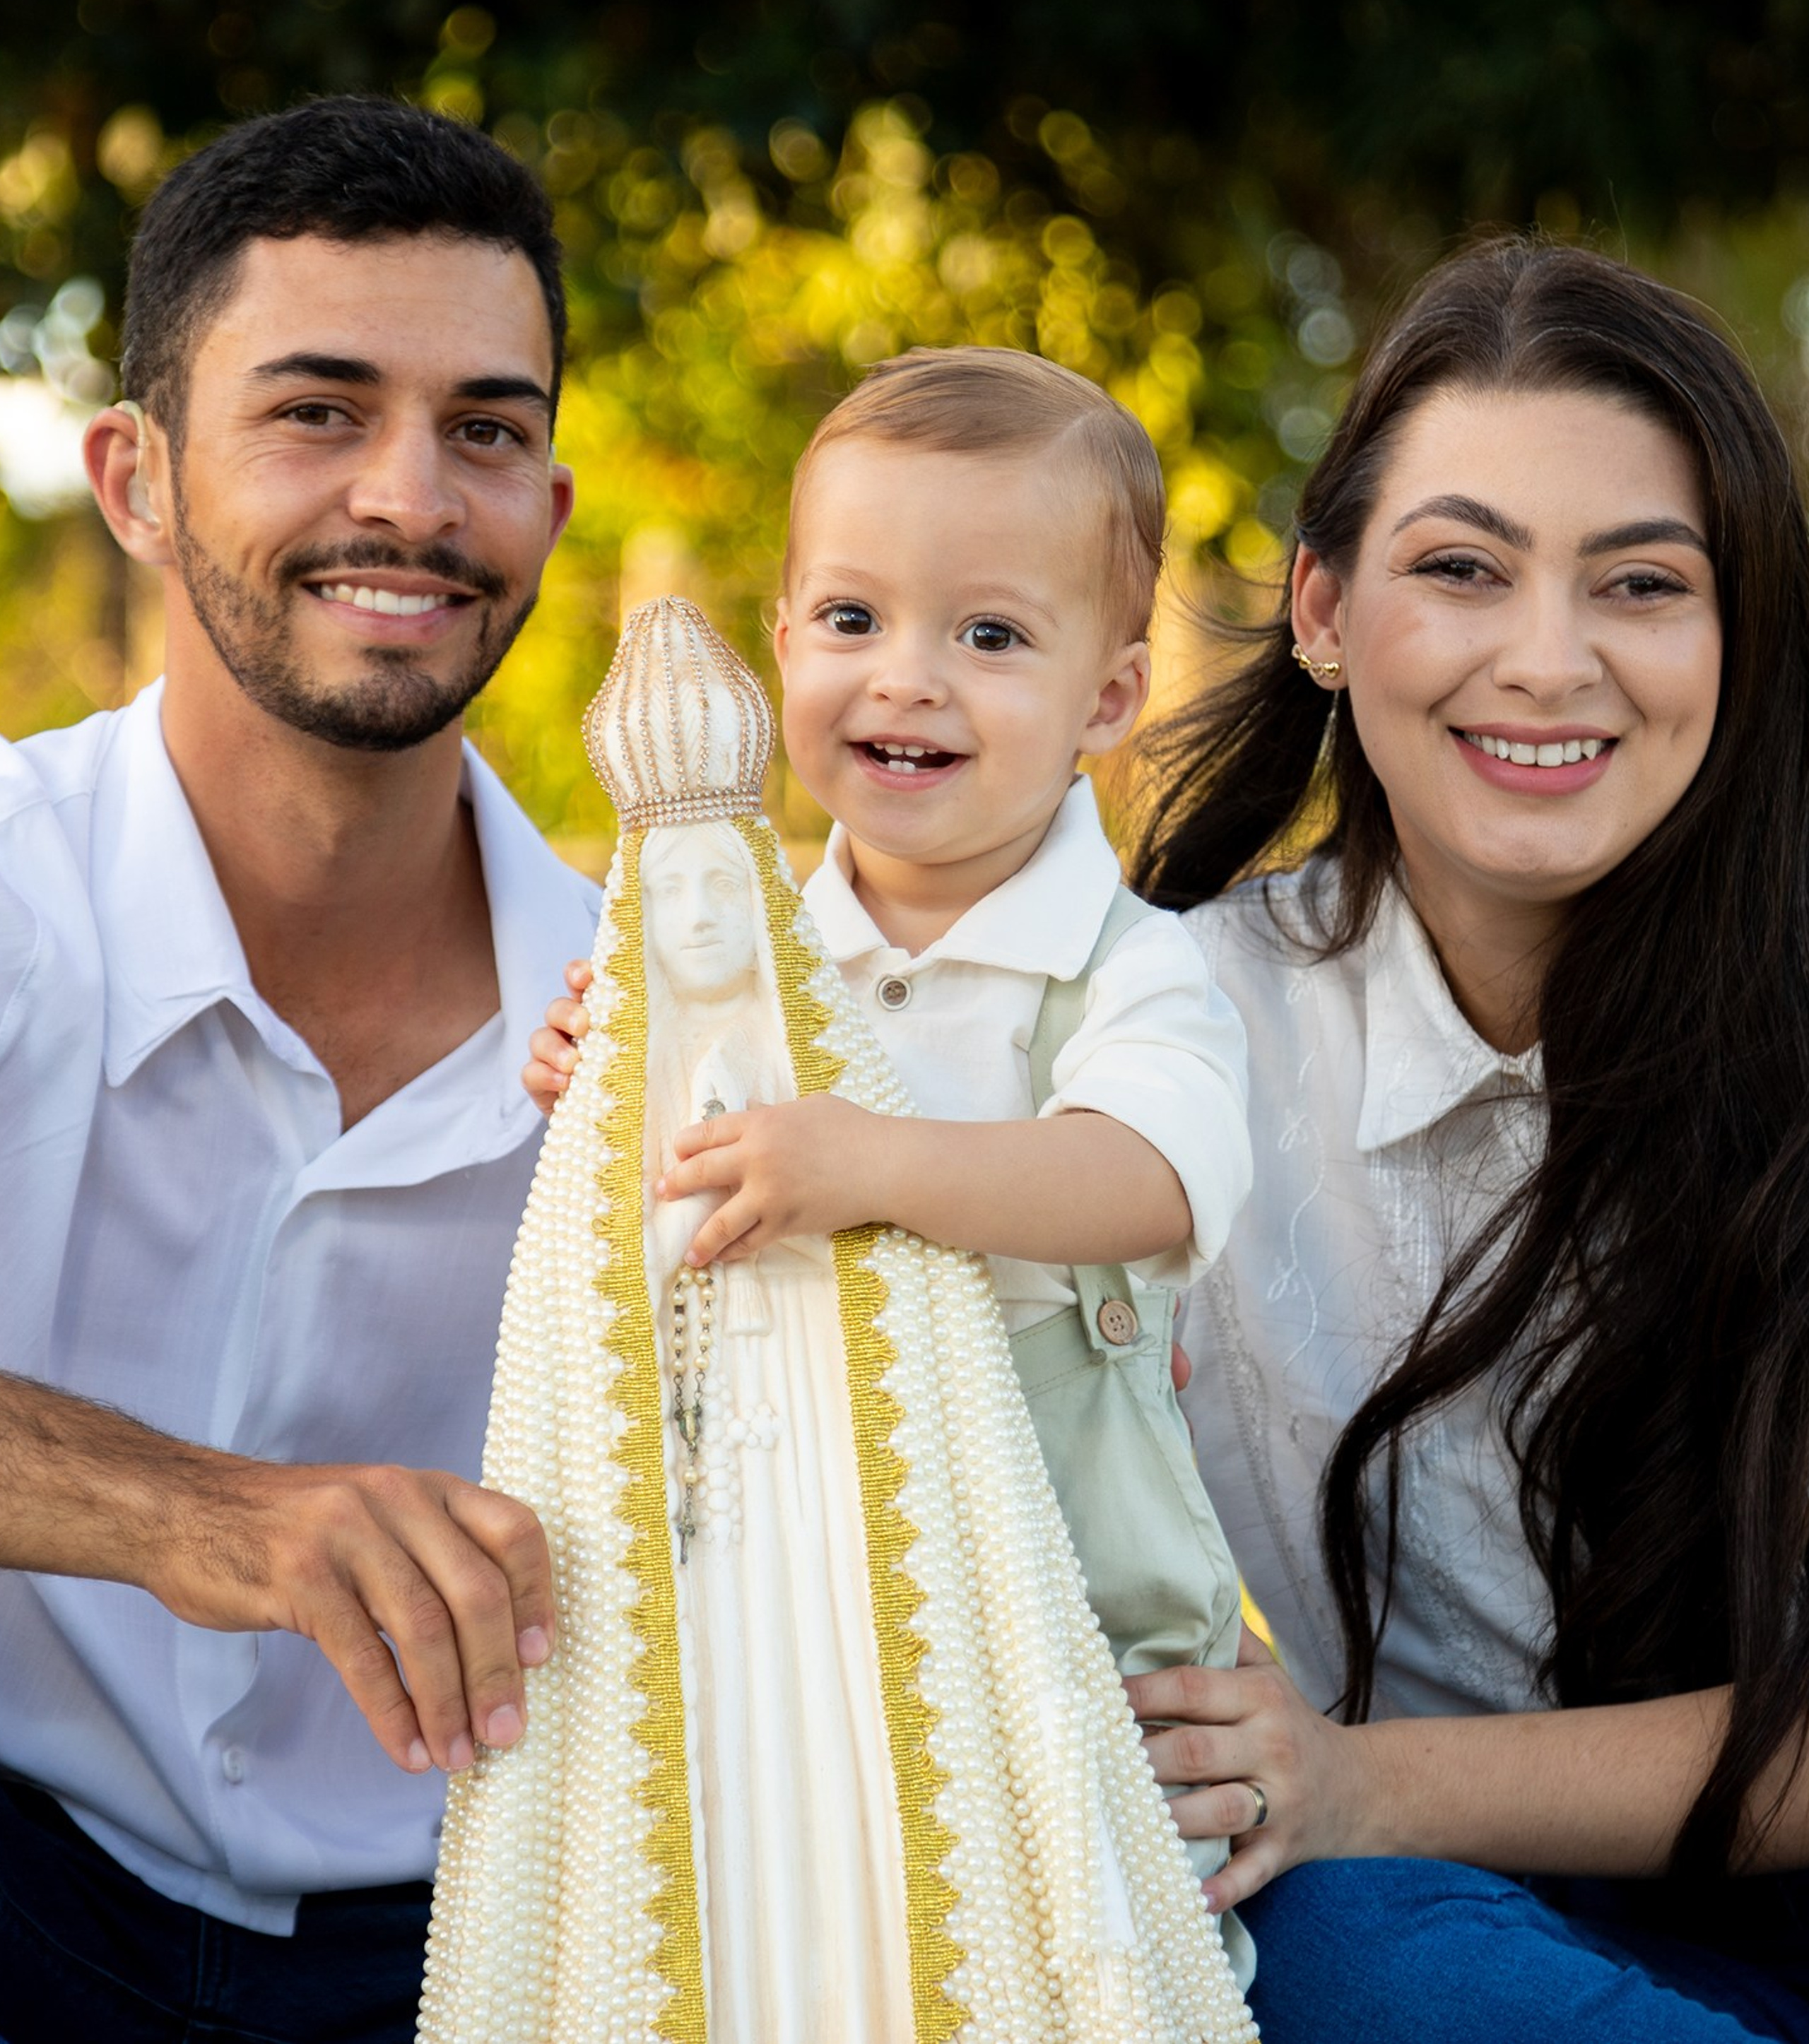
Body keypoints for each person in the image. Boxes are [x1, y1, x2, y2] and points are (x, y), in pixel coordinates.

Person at [1123, 238, 1809, 2040]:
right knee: (1296, 1940)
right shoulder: (1158, 1033)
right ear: (1324, 613)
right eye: (1460, 570)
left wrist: (1354, 1784)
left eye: (1640, 583)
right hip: (1443, 1930)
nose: (1546, 660)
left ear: (1734, 641)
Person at [525, 346, 1259, 1946]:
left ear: (1109, 697)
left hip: (1081, 1637)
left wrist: (861, 1159)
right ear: (781, 638)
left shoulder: (1126, 965)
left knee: (1081, 1957)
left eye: (988, 635)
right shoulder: (755, 949)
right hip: (820, 1590)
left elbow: (1143, 1175)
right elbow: (670, 1195)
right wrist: (610, 1082)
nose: (904, 678)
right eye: (851, 620)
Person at [0, 96, 598, 2044]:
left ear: (550, 509)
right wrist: (217, 1518)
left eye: (486, 432)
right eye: (317, 410)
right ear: (137, 476)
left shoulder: (660, 1022)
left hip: (483, 1938)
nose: (414, 502)